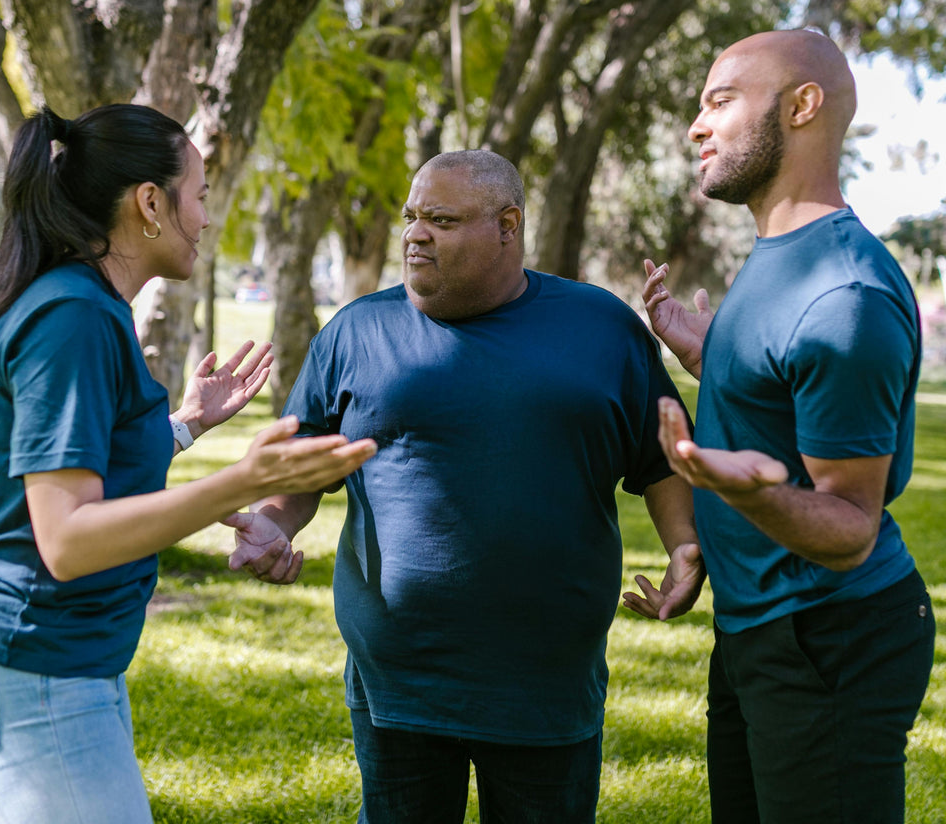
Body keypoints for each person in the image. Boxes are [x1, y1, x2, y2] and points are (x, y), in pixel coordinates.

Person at [0, 103, 376, 824]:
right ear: (150, 204)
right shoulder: (71, 317)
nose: (205, 218)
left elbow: (89, 466)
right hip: (26, 669)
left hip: (64, 667)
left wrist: (186, 426)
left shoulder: (91, 307)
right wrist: (245, 481)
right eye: (198, 196)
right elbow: (68, 540)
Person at [224, 150, 704, 823]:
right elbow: (302, 468)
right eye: (412, 217)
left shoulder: (603, 328)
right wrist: (275, 522)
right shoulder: (356, 332)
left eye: (441, 219)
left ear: (508, 225)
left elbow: (658, 460)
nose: (415, 233)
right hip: (398, 679)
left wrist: (685, 543)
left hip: (546, 681)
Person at [640, 29, 934, 824]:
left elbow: (849, 527)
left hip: (829, 637)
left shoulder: (845, 296)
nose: (696, 126)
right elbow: (782, 386)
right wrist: (707, 350)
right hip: (760, 627)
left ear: (803, 106)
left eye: (720, 101)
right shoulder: (781, 254)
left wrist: (745, 494)